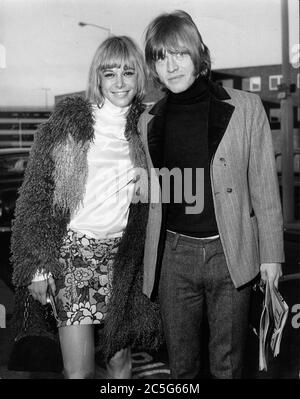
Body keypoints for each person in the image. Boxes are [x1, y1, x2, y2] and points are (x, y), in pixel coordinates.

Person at [138, 10, 284, 379]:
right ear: (153, 66)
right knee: (181, 368)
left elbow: (265, 189)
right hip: (172, 257)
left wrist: (272, 257)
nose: (170, 66)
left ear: (198, 53)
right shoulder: (147, 121)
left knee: (229, 365)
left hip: (230, 252)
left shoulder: (246, 108)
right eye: (160, 56)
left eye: (179, 53)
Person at [10, 35, 162, 379]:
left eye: (128, 72)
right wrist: (37, 266)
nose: (119, 83)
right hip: (73, 253)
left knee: (120, 364)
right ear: (98, 77)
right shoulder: (69, 124)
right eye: (110, 74)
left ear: (140, 76)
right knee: (77, 371)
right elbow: (36, 197)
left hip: (124, 259)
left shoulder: (148, 125)